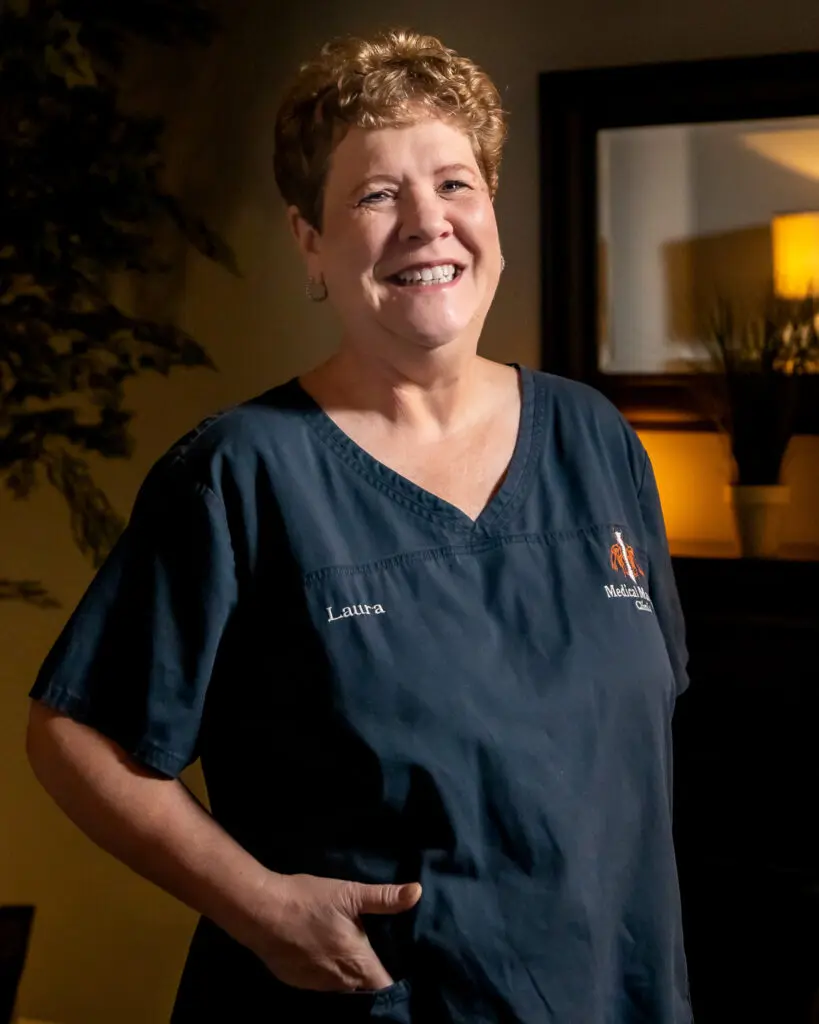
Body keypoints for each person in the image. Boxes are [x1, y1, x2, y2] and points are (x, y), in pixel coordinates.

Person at [26, 27, 692, 1023]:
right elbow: (73, 731)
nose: (428, 223)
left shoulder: (594, 441)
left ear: (492, 214)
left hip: (609, 993)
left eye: (456, 185)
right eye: (378, 195)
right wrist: (258, 906)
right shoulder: (242, 473)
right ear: (311, 243)